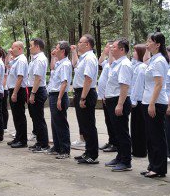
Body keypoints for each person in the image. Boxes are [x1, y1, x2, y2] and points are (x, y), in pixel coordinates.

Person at [141, 32, 169, 178]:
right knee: (150, 137)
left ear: (158, 44)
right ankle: (152, 165)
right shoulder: (153, 59)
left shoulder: (159, 61)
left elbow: (159, 84)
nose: (147, 43)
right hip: (148, 101)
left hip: (156, 103)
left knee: (157, 137)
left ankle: (159, 168)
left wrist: (152, 104)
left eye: (150, 41)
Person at [104, 38, 133, 172]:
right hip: (113, 100)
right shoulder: (116, 63)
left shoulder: (124, 64)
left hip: (119, 100)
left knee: (122, 132)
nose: (111, 48)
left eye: (114, 47)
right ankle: (120, 156)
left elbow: (124, 86)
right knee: (116, 132)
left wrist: (120, 104)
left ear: (122, 49)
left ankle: (126, 161)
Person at [72, 34, 99, 165]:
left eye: (80, 42)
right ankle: (88, 152)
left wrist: (83, 97)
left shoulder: (89, 58)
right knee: (84, 125)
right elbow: (75, 66)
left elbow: (88, 79)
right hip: (81, 92)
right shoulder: (84, 58)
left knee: (89, 125)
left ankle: (92, 155)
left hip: (86, 93)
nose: (78, 44)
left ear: (87, 44)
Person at [48, 41, 73, 159]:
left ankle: (65, 150)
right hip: (53, 94)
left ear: (63, 51)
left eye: (57, 48)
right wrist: (53, 56)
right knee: (55, 123)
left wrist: (59, 98)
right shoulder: (59, 63)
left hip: (59, 95)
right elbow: (52, 68)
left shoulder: (65, 64)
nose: (55, 50)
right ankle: (57, 147)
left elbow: (64, 82)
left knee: (61, 123)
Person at [27, 38, 49, 153]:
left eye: (31, 46)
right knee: (35, 118)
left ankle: (44, 144)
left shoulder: (40, 59)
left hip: (37, 90)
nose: (29, 48)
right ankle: (39, 142)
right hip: (34, 89)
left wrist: (33, 93)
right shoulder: (34, 59)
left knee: (39, 118)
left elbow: (38, 78)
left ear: (37, 47)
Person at [7, 41, 29, 148]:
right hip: (14, 89)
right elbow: (7, 65)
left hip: (18, 90)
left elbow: (20, 78)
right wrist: (9, 54)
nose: (11, 49)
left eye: (13, 48)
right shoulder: (16, 60)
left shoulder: (21, 60)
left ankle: (22, 140)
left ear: (19, 48)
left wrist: (15, 93)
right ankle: (18, 137)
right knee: (16, 116)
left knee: (19, 116)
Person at [98, 43, 118, 153]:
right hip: (105, 96)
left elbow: (110, 62)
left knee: (112, 121)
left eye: (111, 47)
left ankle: (115, 143)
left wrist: (110, 51)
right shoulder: (106, 62)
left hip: (110, 96)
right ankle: (111, 141)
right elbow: (100, 62)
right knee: (108, 120)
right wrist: (104, 52)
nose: (108, 49)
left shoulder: (114, 62)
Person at [129, 44, 148, 158]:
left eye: (135, 51)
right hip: (137, 99)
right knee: (135, 126)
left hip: (139, 100)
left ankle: (140, 150)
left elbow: (138, 85)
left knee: (139, 127)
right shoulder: (136, 66)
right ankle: (136, 148)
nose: (133, 53)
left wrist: (133, 100)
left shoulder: (141, 67)